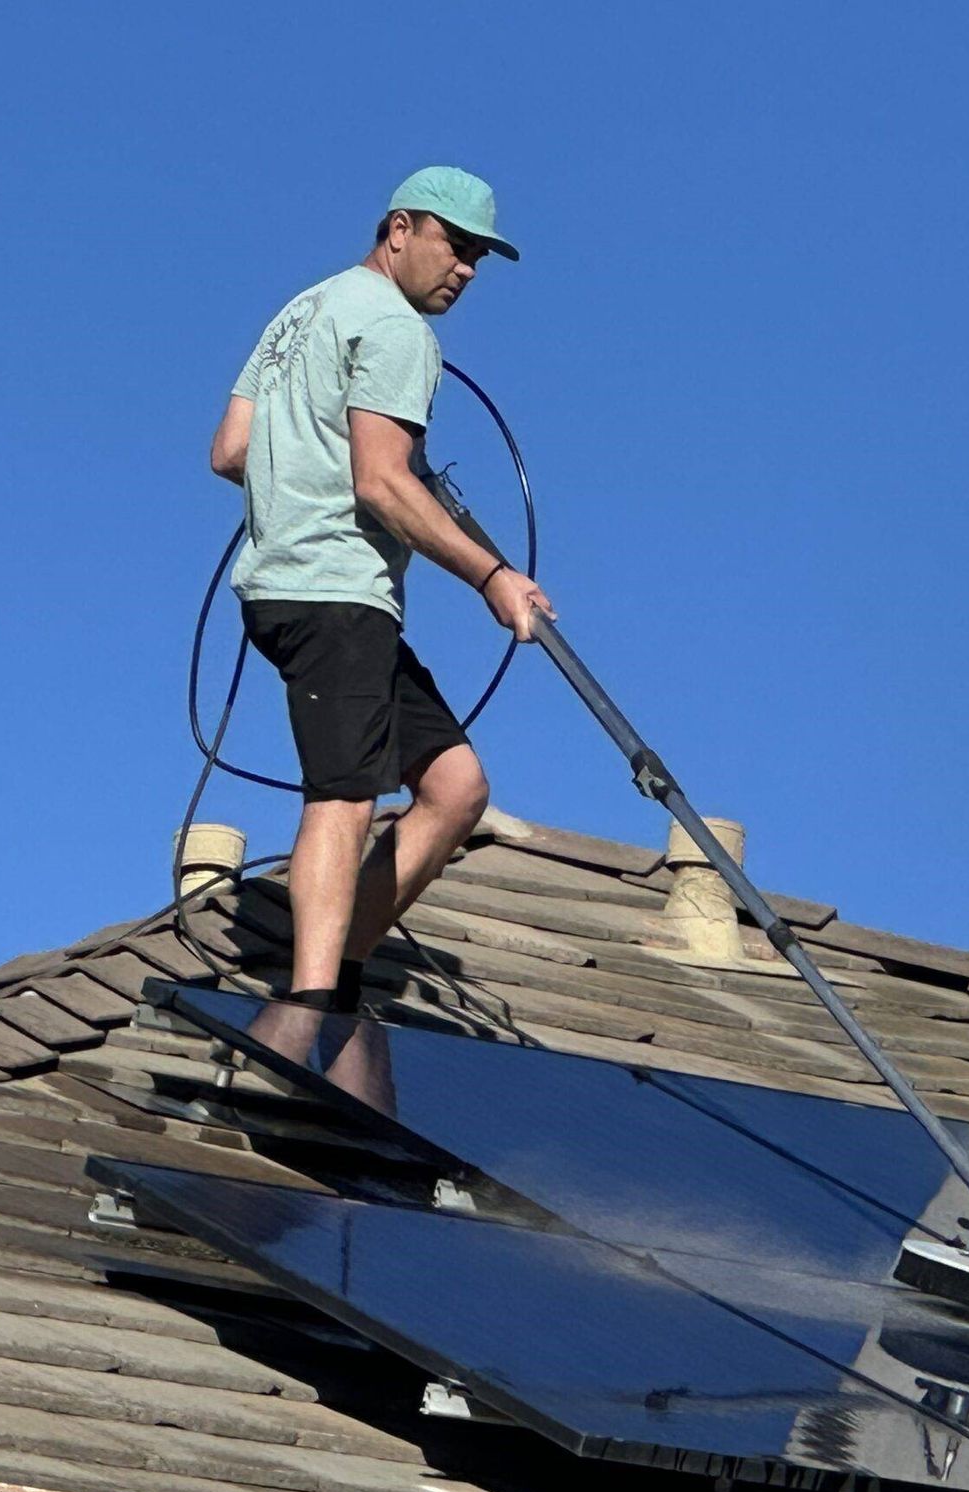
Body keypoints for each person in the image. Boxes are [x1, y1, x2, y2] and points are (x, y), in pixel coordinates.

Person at [210, 166, 554, 1017]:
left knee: (454, 788)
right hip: (336, 593)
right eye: (456, 246)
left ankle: (343, 963)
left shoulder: (302, 311)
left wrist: (302, 469)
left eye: (478, 256)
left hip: (290, 588)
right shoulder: (398, 331)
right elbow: (383, 483)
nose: (467, 269)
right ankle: (315, 1002)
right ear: (399, 229)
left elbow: (228, 451)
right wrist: (492, 576)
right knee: (345, 792)